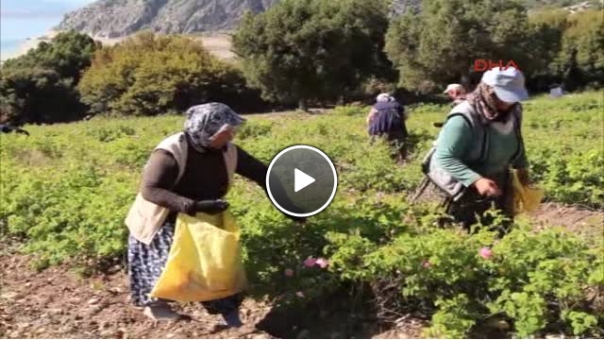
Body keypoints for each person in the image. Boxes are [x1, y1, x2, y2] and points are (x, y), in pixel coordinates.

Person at [124, 102, 305, 325]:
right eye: (226, 131)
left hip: (203, 214)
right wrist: (194, 206)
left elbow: (262, 174)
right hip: (163, 216)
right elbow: (150, 190)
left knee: (216, 263)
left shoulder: (229, 151)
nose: (231, 136)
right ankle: (156, 306)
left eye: (232, 131)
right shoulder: (171, 152)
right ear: (205, 130)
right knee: (166, 265)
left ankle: (228, 312)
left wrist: (287, 205)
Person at [432, 67, 531, 234]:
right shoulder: (464, 116)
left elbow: (516, 140)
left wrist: (522, 167)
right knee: (466, 233)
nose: (507, 103)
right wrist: (476, 180)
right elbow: (445, 157)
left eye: (511, 98)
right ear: (487, 90)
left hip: (498, 179)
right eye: (502, 97)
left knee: (500, 229)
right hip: (462, 183)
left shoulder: (514, 111)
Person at [366, 93, 408, 163]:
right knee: (399, 144)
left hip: (378, 129)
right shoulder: (397, 104)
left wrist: (369, 128)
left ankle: (377, 161)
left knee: (376, 145)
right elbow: (405, 116)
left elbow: (369, 118)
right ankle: (403, 160)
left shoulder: (377, 106)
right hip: (396, 127)